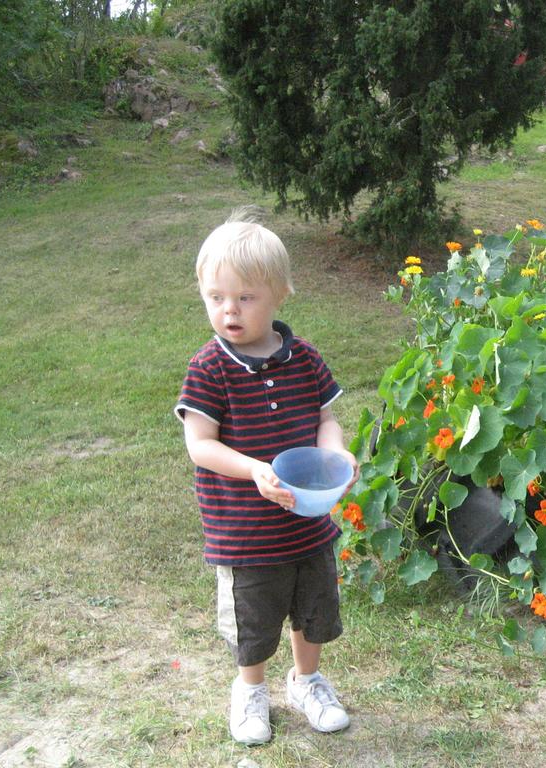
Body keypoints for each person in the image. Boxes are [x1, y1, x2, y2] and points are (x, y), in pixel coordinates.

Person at [175, 208, 359, 744]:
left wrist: (338, 454)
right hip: (245, 532)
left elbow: (326, 419)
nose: (228, 309)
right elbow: (200, 445)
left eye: (245, 297)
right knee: (254, 622)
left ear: (279, 293)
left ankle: (307, 681)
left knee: (314, 610)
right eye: (216, 297)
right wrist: (255, 469)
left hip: (307, 522)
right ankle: (250, 690)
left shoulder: (303, 358)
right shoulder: (209, 367)